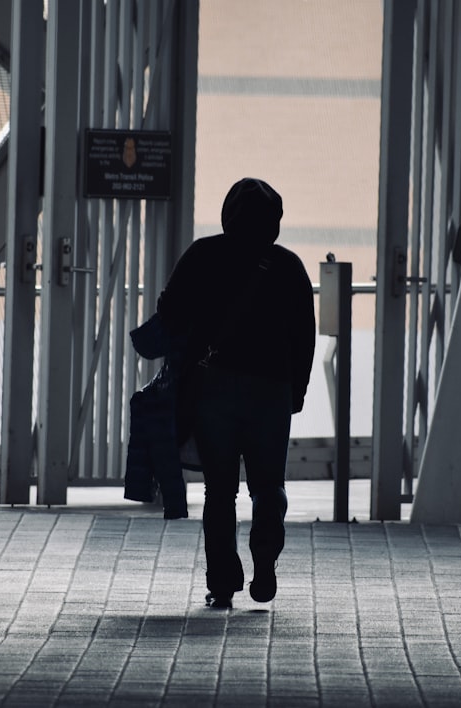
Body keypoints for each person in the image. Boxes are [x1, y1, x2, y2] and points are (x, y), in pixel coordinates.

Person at [156, 177, 316, 609]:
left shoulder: (204, 254)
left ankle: (223, 581)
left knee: (220, 491)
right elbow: (305, 336)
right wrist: (295, 391)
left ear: (229, 214)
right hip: (271, 392)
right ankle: (265, 562)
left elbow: (168, 314)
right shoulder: (289, 266)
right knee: (268, 487)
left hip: (214, 391)